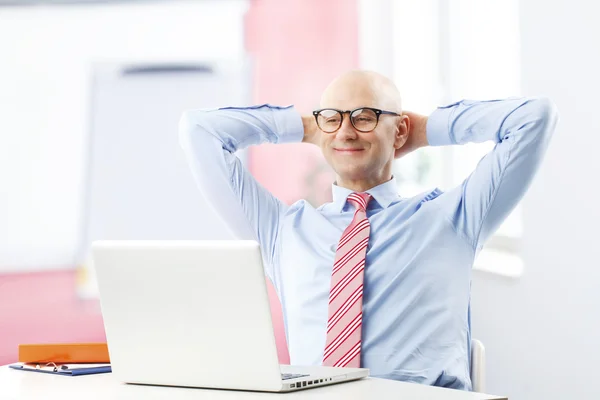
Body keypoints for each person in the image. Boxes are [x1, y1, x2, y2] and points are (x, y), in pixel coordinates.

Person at [178, 70, 558, 390]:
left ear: (399, 130)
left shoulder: (453, 217)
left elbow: (534, 118)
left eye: (364, 117)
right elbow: (200, 130)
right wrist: (306, 127)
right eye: (333, 118)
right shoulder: (281, 231)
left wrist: (424, 130)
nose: (346, 132)